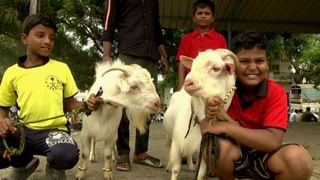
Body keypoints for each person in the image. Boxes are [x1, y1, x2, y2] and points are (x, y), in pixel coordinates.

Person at [197, 31, 313, 179]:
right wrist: (209, 114)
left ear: (267, 64)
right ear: (232, 66)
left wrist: (227, 126)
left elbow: (272, 141)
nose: (252, 67)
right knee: (213, 147)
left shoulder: (276, 92)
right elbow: (206, 130)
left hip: (268, 157)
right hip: (236, 153)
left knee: (298, 161)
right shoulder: (224, 91)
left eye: (259, 61)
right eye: (244, 61)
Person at [0, 14, 102, 180]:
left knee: (65, 155)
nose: (47, 41)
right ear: (25, 38)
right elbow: (2, 108)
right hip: (23, 132)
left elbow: (70, 104)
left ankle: (54, 167)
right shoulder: (12, 73)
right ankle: (23, 165)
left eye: (52, 38)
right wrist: (2, 122)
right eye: (40, 35)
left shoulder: (61, 68)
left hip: (54, 133)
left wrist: (87, 104)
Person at [102, 0, 168, 171]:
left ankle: (141, 153)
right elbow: (108, 23)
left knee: (148, 105)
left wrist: (163, 54)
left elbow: (156, 24)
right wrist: (106, 57)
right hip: (128, 53)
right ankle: (123, 152)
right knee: (122, 107)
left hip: (151, 55)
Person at [176, 0, 227, 90]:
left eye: (207, 13)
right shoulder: (187, 38)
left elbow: (224, 63)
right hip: (192, 82)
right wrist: (181, 85)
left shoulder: (220, 39)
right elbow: (181, 62)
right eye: (199, 13)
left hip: (213, 83)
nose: (203, 16)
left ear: (212, 18)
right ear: (194, 18)